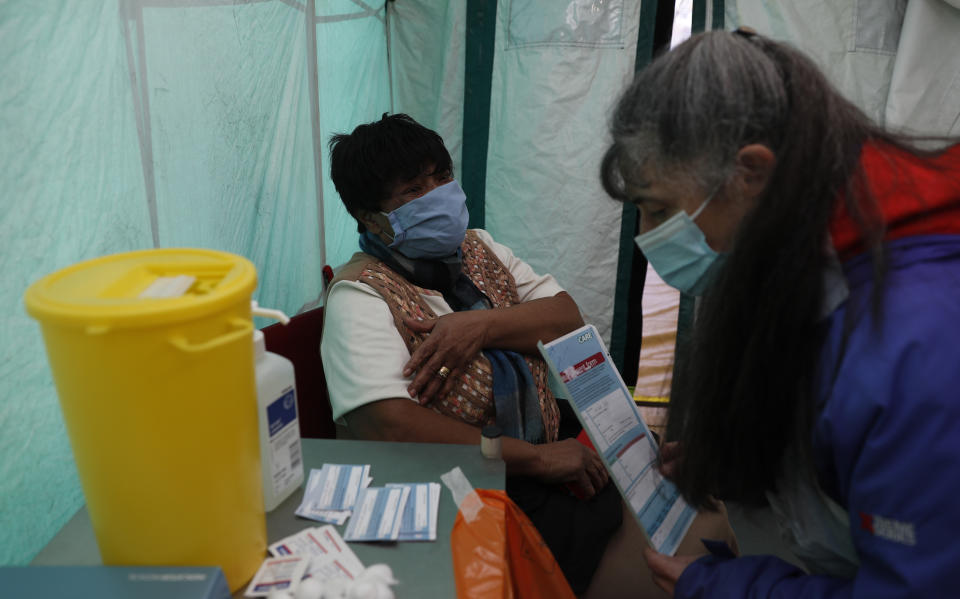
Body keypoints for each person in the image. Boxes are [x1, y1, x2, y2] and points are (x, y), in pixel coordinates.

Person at [600, 29, 960, 598]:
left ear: (752, 174)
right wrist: (762, 454)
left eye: (660, 209)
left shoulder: (918, 348)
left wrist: (734, 590)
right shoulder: (820, 256)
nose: (648, 238)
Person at [321, 113, 737, 596]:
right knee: (684, 559)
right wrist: (533, 459)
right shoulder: (361, 296)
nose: (438, 195)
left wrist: (478, 326)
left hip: (544, 460)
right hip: (471, 496)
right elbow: (391, 427)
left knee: (704, 512)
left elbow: (565, 319)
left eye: (443, 177)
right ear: (369, 218)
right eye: (413, 190)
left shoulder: (478, 250)